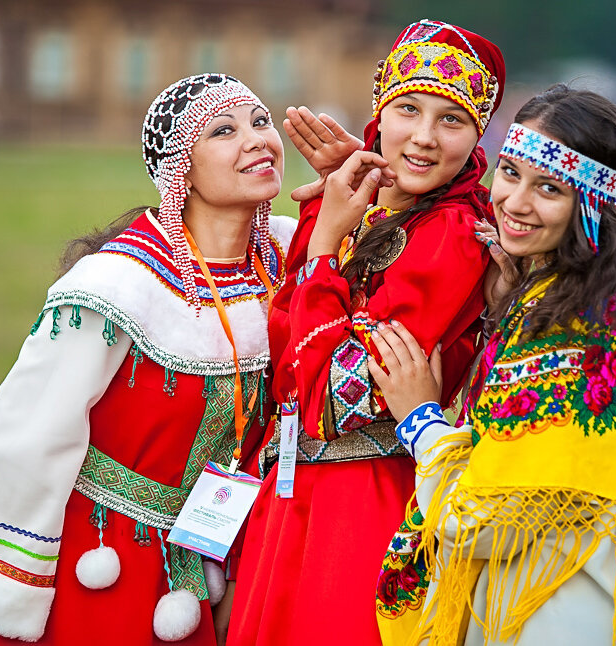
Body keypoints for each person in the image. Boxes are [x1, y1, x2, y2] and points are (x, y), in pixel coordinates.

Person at [0, 74, 297, 646]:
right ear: (181, 167)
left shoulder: (287, 258)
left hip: (214, 562)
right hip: (101, 569)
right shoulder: (118, 285)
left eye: (261, 122)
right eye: (224, 131)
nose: (257, 138)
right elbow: (24, 428)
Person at [367, 85, 616, 645]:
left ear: (590, 203)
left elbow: (482, 523)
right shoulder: (610, 296)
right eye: (509, 172)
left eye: (548, 188)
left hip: (562, 615)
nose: (514, 202)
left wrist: (421, 421)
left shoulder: (564, 336)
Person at [228, 19, 505, 646]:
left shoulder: (456, 234)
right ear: (379, 108)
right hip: (299, 495)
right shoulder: (376, 208)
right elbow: (284, 353)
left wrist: (325, 242)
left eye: (452, 119)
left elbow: (340, 396)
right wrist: (334, 212)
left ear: (478, 134)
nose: (424, 137)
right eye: (408, 109)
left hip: (364, 504)